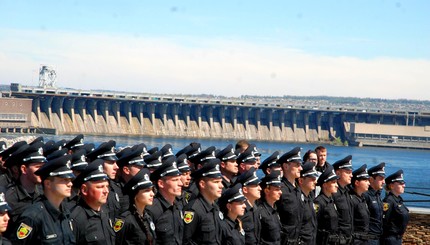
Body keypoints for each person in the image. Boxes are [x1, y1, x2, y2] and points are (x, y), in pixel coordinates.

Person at [9, 154, 76, 244]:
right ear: (48, 184)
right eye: (64, 180)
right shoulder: (32, 217)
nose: (70, 184)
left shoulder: (65, 212)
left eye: (70, 180)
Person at [4, 142, 45, 236]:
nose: (42, 170)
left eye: (43, 167)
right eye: (38, 167)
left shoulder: (44, 193)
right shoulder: (9, 198)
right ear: (24, 169)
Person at [70, 160, 115, 245]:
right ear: (84, 190)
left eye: (107, 186)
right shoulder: (76, 219)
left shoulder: (105, 212)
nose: (106, 191)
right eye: (100, 187)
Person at [183, 160, 224, 245]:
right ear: (202, 184)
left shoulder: (215, 207)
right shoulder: (193, 210)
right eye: (216, 182)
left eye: (221, 181)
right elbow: (185, 241)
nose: (221, 186)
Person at [146, 156, 184, 244]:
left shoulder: (178, 206)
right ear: (161, 183)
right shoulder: (151, 210)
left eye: (179, 179)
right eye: (175, 180)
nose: (180, 184)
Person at [86, 140, 127, 222]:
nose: (116, 167)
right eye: (111, 163)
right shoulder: (90, 188)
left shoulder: (115, 188)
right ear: (99, 164)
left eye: (116, 162)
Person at [115, 168, 156, 245]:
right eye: (147, 190)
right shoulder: (125, 220)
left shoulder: (147, 217)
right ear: (135, 195)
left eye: (152, 190)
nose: (152, 194)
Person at [276, 147, 303, 245]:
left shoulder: (298, 190)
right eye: (297, 165)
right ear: (286, 166)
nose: (301, 168)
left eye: (300, 165)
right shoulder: (280, 190)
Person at [234, 167, 262, 245]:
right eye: (256, 185)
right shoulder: (240, 212)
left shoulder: (255, 209)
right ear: (245, 190)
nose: (260, 188)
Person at [382, 170, 409, 245]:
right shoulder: (388, 201)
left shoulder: (398, 200)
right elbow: (384, 221)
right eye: (401, 183)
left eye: (403, 183)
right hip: (390, 239)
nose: (404, 185)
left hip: (397, 238)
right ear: (392, 185)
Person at [314, 166, 340, 245]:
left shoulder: (331, 201)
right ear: (325, 185)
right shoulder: (318, 202)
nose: (337, 185)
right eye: (333, 182)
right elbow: (314, 224)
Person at [332, 155, 354, 244]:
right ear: (338, 173)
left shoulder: (347, 192)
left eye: (351, 172)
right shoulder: (334, 193)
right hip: (339, 240)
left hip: (348, 239)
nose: (351, 175)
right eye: (348, 172)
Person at [257, 171, 282, 245]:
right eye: (277, 189)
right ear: (267, 191)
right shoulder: (260, 211)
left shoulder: (275, 209)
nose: (280, 192)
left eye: (280, 189)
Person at [364, 162, 386, 244]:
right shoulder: (366, 196)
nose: (383, 182)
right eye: (380, 178)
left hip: (377, 238)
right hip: (369, 239)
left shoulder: (377, 196)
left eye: (384, 179)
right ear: (371, 179)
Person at [297, 162, 318, 245]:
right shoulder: (298, 199)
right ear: (301, 180)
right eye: (312, 179)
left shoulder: (310, 198)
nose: (315, 182)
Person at [350, 164, 370, 244]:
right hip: (356, 240)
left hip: (364, 239)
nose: (368, 183)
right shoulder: (351, 199)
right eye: (365, 181)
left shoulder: (362, 198)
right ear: (357, 183)